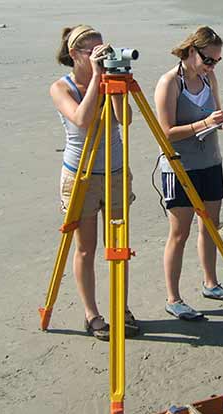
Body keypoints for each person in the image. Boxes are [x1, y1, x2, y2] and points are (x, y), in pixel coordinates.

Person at [50, 25, 139, 340]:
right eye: (93, 52)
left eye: (103, 49)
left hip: (114, 172)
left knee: (119, 247)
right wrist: (98, 81)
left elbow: (124, 119)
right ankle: (92, 314)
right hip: (81, 175)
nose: (100, 55)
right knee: (86, 249)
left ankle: (121, 307)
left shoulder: (108, 78)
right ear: (75, 54)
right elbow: (82, 120)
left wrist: (115, 81)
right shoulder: (61, 88)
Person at [154, 26, 223, 321]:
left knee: (211, 225)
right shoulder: (169, 83)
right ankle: (174, 298)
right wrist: (203, 124)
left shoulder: (208, 77)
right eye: (209, 59)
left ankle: (211, 283)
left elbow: (215, 114)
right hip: (180, 166)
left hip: (210, 162)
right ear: (192, 51)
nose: (213, 65)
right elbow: (166, 133)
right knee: (180, 232)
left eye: (217, 60)